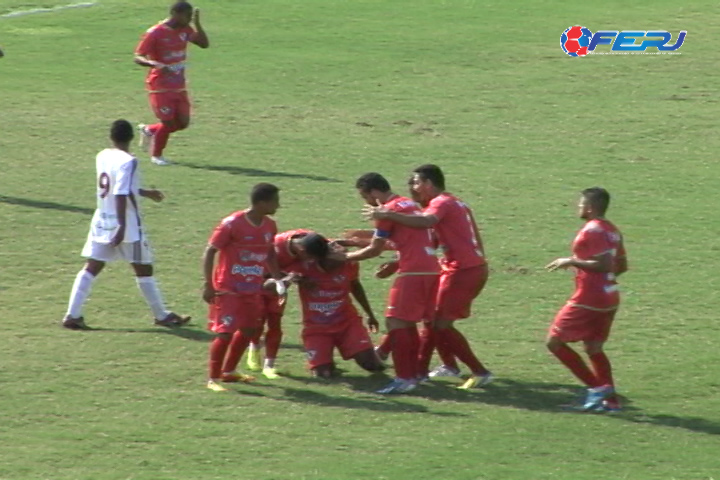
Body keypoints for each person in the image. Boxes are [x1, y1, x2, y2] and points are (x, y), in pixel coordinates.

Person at [363, 164, 492, 389]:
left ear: (428, 184)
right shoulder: (453, 202)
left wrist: (386, 213)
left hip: (463, 269)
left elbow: (426, 223)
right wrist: (396, 263)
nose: (412, 188)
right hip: (465, 266)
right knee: (433, 320)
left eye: (415, 183)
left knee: (439, 323)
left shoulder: (440, 203)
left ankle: (478, 371)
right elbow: (428, 240)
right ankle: (443, 367)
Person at [62, 119, 190, 330]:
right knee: (143, 268)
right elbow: (120, 193)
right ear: (131, 138)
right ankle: (161, 315)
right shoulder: (129, 161)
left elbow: (115, 186)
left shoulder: (102, 156)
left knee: (93, 265)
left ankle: (72, 315)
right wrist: (122, 227)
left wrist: (144, 192)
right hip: (127, 224)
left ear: (111, 137)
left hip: (102, 218)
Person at [343, 173, 440, 394]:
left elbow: (375, 249)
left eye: (364, 196)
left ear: (373, 193)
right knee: (407, 324)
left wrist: (345, 258)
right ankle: (414, 374)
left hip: (413, 271)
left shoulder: (385, 211)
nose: (365, 202)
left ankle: (404, 378)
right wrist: (354, 241)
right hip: (430, 269)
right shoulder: (407, 204)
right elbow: (400, 238)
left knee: (395, 323)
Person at [545, 187, 627, 411]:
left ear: (590, 207)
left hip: (589, 298)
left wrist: (571, 261)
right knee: (594, 348)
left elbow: (603, 264)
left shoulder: (593, 230)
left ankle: (597, 388)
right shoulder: (613, 230)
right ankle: (611, 402)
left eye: (581, 204)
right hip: (610, 297)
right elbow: (621, 266)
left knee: (554, 341)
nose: (578, 207)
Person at [203, 183, 283, 392]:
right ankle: (213, 379)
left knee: (249, 329)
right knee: (225, 332)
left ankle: (228, 372)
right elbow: (210, 251)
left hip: (253, 287)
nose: (278, 205)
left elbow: (270, 252)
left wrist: (278, 279)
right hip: (228, 287)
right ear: (261, 203)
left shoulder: (269, 225)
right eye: (275, 201)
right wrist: (208, 285)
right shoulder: (232, 223)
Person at [282, 233, 383, 378]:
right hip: (317, 328)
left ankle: (376, 350)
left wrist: (370, 315)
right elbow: (269, 281)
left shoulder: (350, 264)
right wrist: (288, 280)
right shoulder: (303, 267)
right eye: (338, 257)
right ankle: (324, 361)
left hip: (347, 323)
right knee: (323, 374)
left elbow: (355, 286)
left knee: (372, 366)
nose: (344, 258)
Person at [134, 1, 209, 166]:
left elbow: (204, 44)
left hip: (179, 85)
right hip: (159, 86)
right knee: (167, 122)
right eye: (187, 16)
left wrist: (197, 24)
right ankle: (156, 155)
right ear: (175, 13)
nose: (189, 19)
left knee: (182, 123)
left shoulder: (186, 29)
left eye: (191, 16)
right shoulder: (155, 32)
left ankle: (150, 130)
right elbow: (138, 56)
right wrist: (154, 64)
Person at [247, 228, 312, 379]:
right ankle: (254, 347)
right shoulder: (276, 245)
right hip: (258, 285)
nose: (309, 259)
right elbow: (263, 283)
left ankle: (269, 365)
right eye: (307, 255)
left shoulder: (304, 242)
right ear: (301, 249)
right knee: (256, 322)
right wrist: (286, 279)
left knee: (275, 323)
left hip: (277, 291)